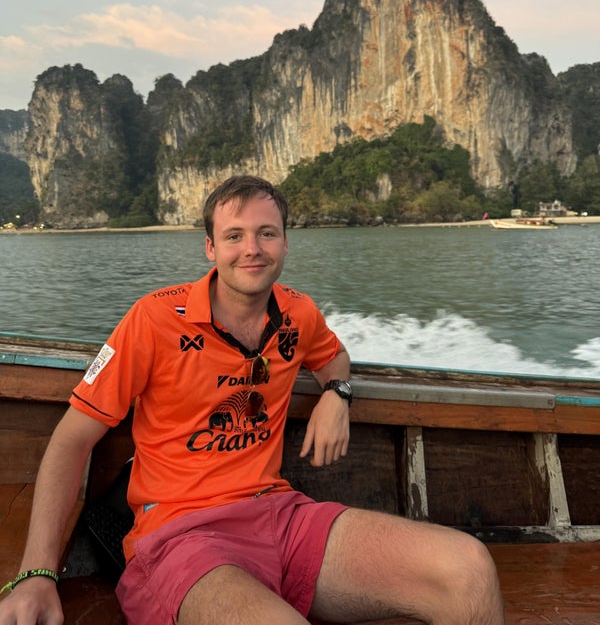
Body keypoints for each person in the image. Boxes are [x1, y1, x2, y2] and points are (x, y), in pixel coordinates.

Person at [0, 175, 504, 625]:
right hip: (180, 538)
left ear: (285, 243)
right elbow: (71, 440)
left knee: (467, 568)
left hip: (279, 515)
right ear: (210, 248)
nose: (252, 249)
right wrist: (37, 573)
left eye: (266, 233)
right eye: (234, 236)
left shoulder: (298, 314)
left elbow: (334, 357)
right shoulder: (153, 320)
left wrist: (337, 394)